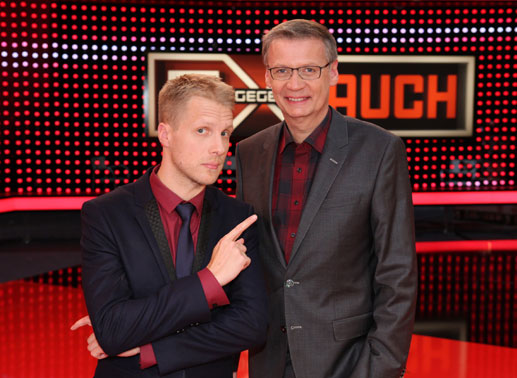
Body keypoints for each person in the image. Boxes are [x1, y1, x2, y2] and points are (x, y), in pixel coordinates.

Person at [235, 19, 417, 378]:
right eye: (282, 70)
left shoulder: (380, 149)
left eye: (309, 69)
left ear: (333, 72)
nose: (295, 83)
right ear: (267, 77)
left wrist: (380, 367)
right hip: (268, 358)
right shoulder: (249, 152)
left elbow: (397, 272)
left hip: (348, 363)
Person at [71, 74, 268, 378]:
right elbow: (113, 329)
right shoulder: (106, 214)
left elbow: (250, 325)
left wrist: (150, 348)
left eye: (225, 133)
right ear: (165, 134)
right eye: (202, 131)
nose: (219, 147)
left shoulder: (238, 216)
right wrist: (211, 279)